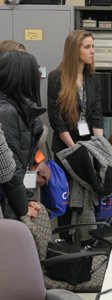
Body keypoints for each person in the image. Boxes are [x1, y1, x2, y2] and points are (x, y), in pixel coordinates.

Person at [47, 30, 103, 235]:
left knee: (89, 196)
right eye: (87, 47)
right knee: (68, 199)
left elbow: (96, 116)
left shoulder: (93, 78)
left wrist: (102, 149)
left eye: (93, 46)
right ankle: (66, 244)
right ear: (74, 50)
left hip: (88, 145)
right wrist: (74, 150)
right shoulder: (56, 77)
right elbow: (56, 120)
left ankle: (88, 242)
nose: (92, 51)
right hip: (66, 148)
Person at [0, 50, 45, 219]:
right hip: (6, 206)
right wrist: (23, 209)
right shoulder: (6, 112)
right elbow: (12, 171)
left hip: (14, 200)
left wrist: (26, 201)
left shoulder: (20, 109)